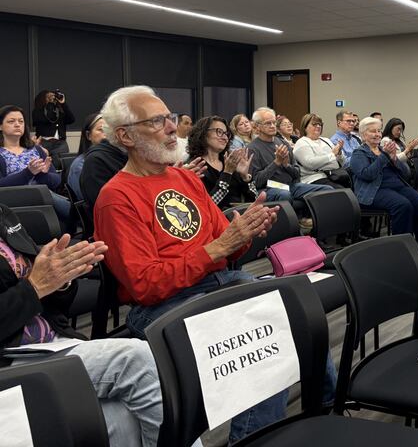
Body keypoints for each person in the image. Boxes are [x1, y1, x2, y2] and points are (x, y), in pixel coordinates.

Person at [92, 85, 304, 443]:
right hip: (164, 306)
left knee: (292, 314)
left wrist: (243, 235)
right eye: (157, 121)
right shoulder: (116, 198)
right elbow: (145, 285)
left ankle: (324, 407)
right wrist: (217, 248)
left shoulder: (184, 178)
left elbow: (227, 246)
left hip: (218, 283)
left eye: (170, 118)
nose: (172, 127)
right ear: (125, 136)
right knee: (257, 352)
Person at [0, 204, 164, 447]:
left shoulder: (3, 213)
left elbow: (51, 301)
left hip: (49, 341)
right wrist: (35, 288)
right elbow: (33, 288)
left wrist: (61, 280)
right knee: (136, 358)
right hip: (10, 363)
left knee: (124, 415)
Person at [351, 117, 418, 253]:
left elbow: (406, 174)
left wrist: (394, 158)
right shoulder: (359, 153)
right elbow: (367, 175)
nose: (377, 134)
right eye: (373, 131)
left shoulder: (384, 151)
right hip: (375, 191)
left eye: (379, 131)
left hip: (397, 187)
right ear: (363, 135)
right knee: (403, 206)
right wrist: (385, 156)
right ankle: (401, 249)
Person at [0, 105, 72, 227]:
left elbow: (56, 181)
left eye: (21, 121)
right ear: (0, 126)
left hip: (43, 199)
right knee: (45, 196)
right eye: (11, 121)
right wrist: (28, 173)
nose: (17, 124)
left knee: (47, 195)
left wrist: (42, 174)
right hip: (12, 200)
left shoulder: (36, 149)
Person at [248, 107, 332, 204]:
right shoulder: (252, 148)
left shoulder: (283, 143)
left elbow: (297, 173)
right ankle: (295, 218)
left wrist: (286, 165)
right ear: (257, 126)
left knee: (327, 189)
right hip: (268, 188)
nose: (272, 126)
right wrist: (276, 163)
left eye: (274, 122)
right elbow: (257, 182)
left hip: (289, 185)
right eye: (268, 123)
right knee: (284, 194)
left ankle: (314, 218)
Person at [188, 116, 257, 210]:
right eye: (219, 132)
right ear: (203, 134)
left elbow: (255, 201)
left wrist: (245, 178)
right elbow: (208, 206)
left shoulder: (230, 162)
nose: (225, 138)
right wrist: (227, 173)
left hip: (239, 218)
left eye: (226, 134)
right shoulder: (195, 166)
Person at [294, 113, 349, 188]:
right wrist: (332, 155)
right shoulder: (302, 142)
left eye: (320, 124)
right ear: (305, 127)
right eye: (314, 124)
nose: (318, 126)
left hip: (335, 175)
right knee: (342, 192)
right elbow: (310, 163)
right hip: (315, 178)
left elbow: (342, 162)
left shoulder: (326, 140)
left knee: (354, 185)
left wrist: (339, 153)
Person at [67, 112, 106, 201]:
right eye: (101, 130)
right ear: (88, 135)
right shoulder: (80, 165)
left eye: (109, 130)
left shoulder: (114, 159)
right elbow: (87, 200)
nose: (106, 134)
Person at [31, 89, 74, 157]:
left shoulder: (59, 111)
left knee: (60, 163)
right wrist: (50, 104)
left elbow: (71, 119)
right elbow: (48, 118)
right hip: (44, 142)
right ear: (42, 99)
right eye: (49, 97)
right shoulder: (37, 111)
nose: (53, 98)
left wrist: (63, 104)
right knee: (44, 163)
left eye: (53, 97)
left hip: (60, 143)